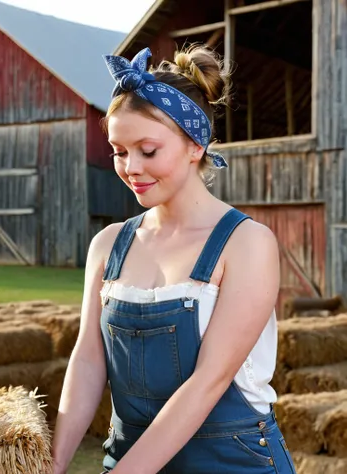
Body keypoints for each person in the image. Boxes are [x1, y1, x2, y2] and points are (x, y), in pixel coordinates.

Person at [51, 45, 296, 474]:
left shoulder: (246, 244)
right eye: (118, 151)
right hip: (127, 457)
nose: (131, 168)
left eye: (148, 150)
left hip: (233, 463)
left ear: (195, 145)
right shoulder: (108, 245)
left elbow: (208, 383)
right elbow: (88, 361)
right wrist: (50, 466)